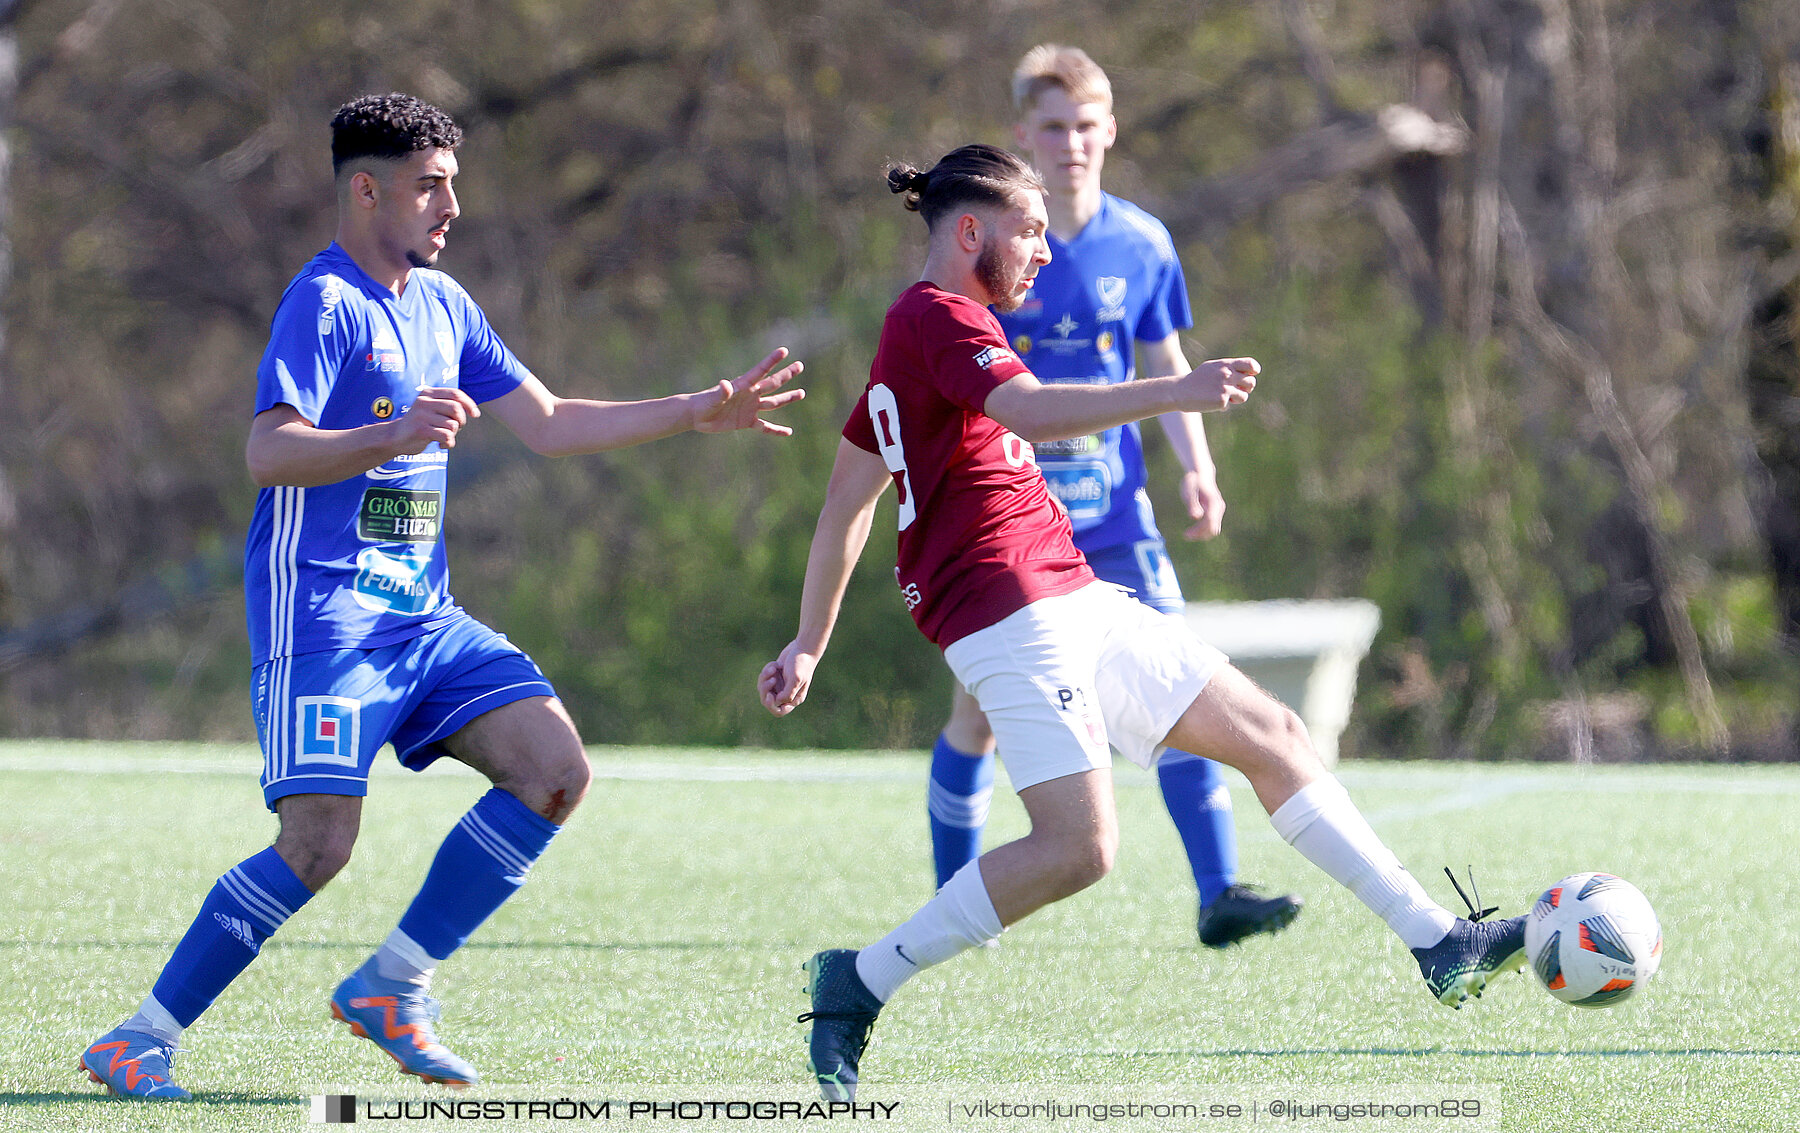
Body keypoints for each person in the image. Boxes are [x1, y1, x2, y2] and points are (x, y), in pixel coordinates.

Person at [758, 143, 1524, 1103]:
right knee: (1081, 849)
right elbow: (1028, 415)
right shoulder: (938, 317)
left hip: (1072, 592)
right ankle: (858, 980)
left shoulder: (925, 337)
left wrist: (808, 642)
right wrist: (1176, 389)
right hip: (1006, 612)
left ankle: (1440, 941)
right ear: (968, 232)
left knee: (1275, 735)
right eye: (1029, 232)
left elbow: (846, 505)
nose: (1042, 251)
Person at [78, 92, 804, 1101]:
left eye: (454, 182)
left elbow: (548, 422)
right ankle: (140, 1037)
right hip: (325, 622)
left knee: (554, 767)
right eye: (430, 184)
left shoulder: (445, 304)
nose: (450, 205)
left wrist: (695, 410)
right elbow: (267, 449)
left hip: (423, 621)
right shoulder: (323, 304)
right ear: (366, 189)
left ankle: (393, 982)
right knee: (320, 842)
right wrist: (390, 434)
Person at [922, 44, 1300, 948]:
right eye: (1052, 127)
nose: (1072, 143)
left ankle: (1218, 890)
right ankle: (955, 900)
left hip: (1117, 519)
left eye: (1087, 126)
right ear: (1024, 136)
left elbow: (1165, 362)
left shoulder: (1144, 242)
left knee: (1176, 679)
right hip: (1006, 529)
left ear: (1111, 131)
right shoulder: (994, 251)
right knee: (974, 716)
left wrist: (1196, 466)